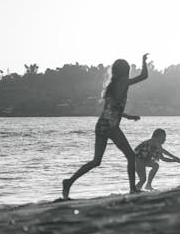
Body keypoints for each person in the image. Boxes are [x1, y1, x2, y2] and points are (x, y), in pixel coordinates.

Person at [62, 53, 149, 199]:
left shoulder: (112, 85)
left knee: (96, 161)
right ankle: (133, 189)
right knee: (130, 156)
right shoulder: (123, 83)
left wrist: (128, 116)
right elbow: (143, 76)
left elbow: (113, 108)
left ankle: (69, 182)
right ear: (124, 71)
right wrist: (143, 61)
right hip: (111, 126)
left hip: (102, 124)